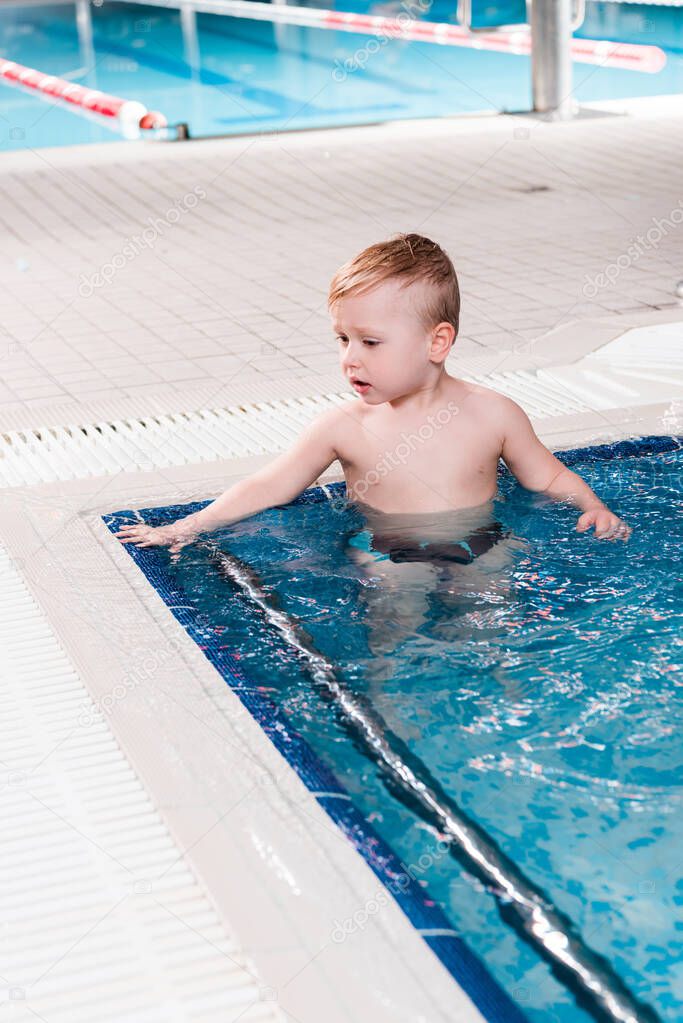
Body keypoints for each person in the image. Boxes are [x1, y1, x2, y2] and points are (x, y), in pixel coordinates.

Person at [116, 233, 632, 564]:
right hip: (387, 548)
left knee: (488, 622)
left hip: (482, 540)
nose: (350, 358)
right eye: (343, 340)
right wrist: (187, 527)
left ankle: (504, 689)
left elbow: (548, 476)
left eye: (370, 342)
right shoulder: (342, 426)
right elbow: (270, 485)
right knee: (392, 628)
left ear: (437, 341)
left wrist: (593, 505)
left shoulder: (493, 413)